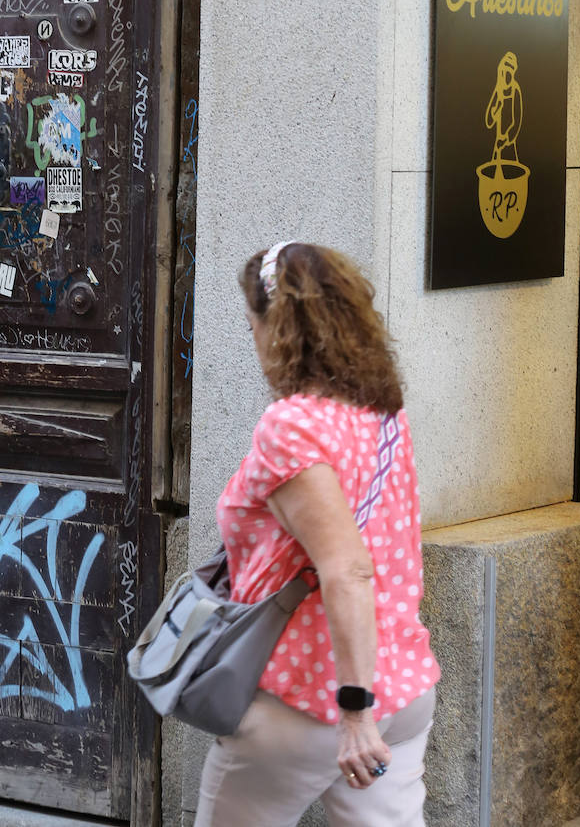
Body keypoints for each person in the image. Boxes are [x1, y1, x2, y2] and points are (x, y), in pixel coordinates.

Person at [194, 241, 440, 827]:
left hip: (311, 700)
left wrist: (354, 710)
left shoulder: (292, 426)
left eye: (253, 320)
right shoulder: (382, 414)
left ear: (278, 326)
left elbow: (348, 567)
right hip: (401, 688)